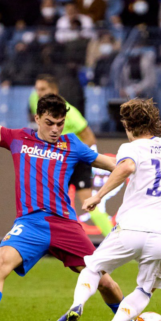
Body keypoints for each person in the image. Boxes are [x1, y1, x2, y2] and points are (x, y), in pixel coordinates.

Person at [0, 62, 133, 321]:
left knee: (104, 280)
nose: (55, 129)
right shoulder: (18, 139)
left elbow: (113, 165)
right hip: (30, 223)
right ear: (37, 118)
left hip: (65, 225)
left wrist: (141, 169)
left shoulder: (72, 143)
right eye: (49, 123)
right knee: (1, 263)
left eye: (60, 123)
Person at [52, 98, 161, 321]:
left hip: (132, 228)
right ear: (153, 122)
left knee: (93, 269)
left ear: (127, 126)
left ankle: (77, 305)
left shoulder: (131, 148)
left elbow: (126, 168)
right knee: (144, 290)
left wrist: (98, 196)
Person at [28, 75, 114, 236]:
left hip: (76, 162)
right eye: (37, 89)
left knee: (87, 201)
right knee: (50, 203)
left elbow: (89, 138)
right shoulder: (34, 101)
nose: (38, 93)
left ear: (54, 90)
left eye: (43, 89)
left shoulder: (70, 113)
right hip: (55, 162)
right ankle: (52, 241)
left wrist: (75, 157)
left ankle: (115, 238)